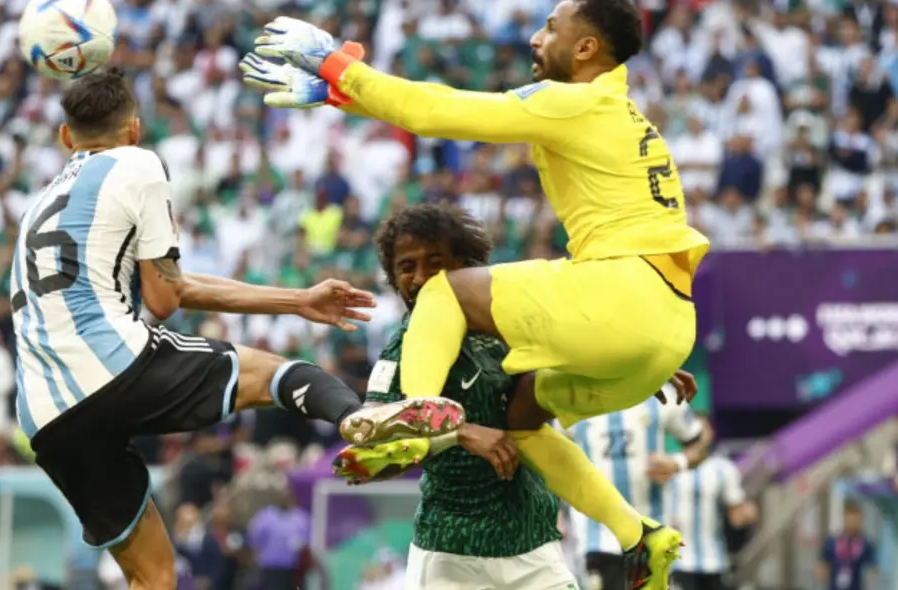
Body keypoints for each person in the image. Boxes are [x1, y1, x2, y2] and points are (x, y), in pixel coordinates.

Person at [242, 0, 710, 586]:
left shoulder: (573, 102)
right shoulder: (620, 112)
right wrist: (342, 96)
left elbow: (437, 111)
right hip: (660, 326)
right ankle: (639, 535)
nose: (537, 38)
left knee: (445, 295)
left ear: (586, 47)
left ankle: (415, 410)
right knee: (522, 420)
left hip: (622, 295)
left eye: (551, 28)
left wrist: (342, 67)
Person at [9, 68, 460, 589]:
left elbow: (170, 285)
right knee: (278, 374)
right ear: (134, 129)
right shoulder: (137, 163)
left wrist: (297, 301)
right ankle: (360, 418)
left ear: (66, 137)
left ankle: (361, 419)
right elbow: (164, 296)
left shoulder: (37, 205)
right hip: (109, 361)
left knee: (152, 576)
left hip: (44, 413)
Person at [334, 203, 579, 590]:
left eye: (435, 263)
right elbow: (373, 437)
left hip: (532, 541)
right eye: (406, 267)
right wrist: (459, 432)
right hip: (451, 553)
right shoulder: (401, 350)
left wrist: (635, 367)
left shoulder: (507, 325)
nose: (420, 278)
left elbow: (576, 350)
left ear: (465, 266)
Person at [564, 398, 713, 589]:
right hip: (596, 534)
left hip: (651, 529)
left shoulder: (662, 395)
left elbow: (700, 445)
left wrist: (677, 462)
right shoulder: (572, 396)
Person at [667, 454, 758, 590]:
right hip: (678, 562)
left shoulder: (723, 468)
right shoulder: (669, 464)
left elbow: (736, 518)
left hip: (714, 561)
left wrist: (747, 513)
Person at [817, 501, 878, 590]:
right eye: (849, 518)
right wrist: (822, 575)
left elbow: (873, 568)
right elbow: (822, 563)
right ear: (844, 518)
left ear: (860, 520)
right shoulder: (832, 542)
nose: (852, 522)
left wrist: (870, 579)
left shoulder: (866, 544)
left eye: (856, 519)